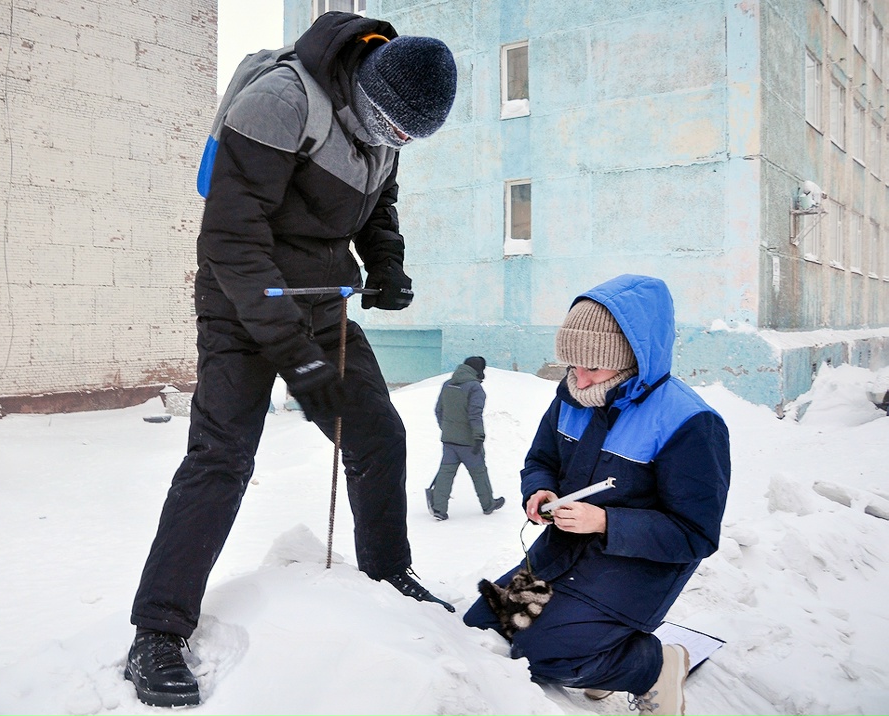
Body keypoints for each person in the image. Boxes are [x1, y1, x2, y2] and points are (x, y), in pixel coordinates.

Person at [125, 11, 459, 708]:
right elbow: (231, 237)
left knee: (377, 432)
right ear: (366, 90)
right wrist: (293, 357)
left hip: (318, 297)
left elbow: (378, 201)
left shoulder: (385, 121)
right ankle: (157, 631)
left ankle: (386, 574)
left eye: (407, 138)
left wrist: (386, 263)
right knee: (222, 457)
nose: (394, 141)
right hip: (241, 295)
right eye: (389, 126)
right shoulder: (280, 103)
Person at [463, 274, 730, 716]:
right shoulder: (572, 395)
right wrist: (539, 490)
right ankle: (600, 654)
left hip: (632, 572)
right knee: (486, 627)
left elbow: (695, 535)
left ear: (632, 361)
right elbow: (540, 460)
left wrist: (605, 522)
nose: (579, 380)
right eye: (572, 365)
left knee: (542, 654)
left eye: (593, 367)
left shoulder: (689, 423)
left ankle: (655, 665)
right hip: (561, 553)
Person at [425, 356, 504, 520]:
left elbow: (438, 410)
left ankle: (439, 508)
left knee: (446, 473)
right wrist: (478, 437)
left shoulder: (448, 385)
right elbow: (475, 415)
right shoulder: (475, 388)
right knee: (479, 473)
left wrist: (447, 429)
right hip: (469, 442)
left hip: (449, 440)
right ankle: (488, 504)